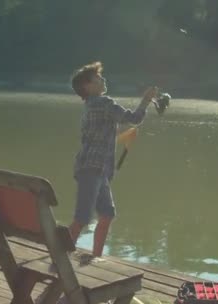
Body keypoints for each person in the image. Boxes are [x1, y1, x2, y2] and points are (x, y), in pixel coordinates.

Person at [68, 61, 158, 257]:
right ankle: (60, 255)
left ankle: (96, 258)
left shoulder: (92, 105)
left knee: (107, 215)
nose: (103, 79)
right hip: (92, 168)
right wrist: (146, 100)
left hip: (98, 169)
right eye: (98, 78)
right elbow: (133, 118)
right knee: (82, 218)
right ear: (88, 86)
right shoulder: (103, 103)